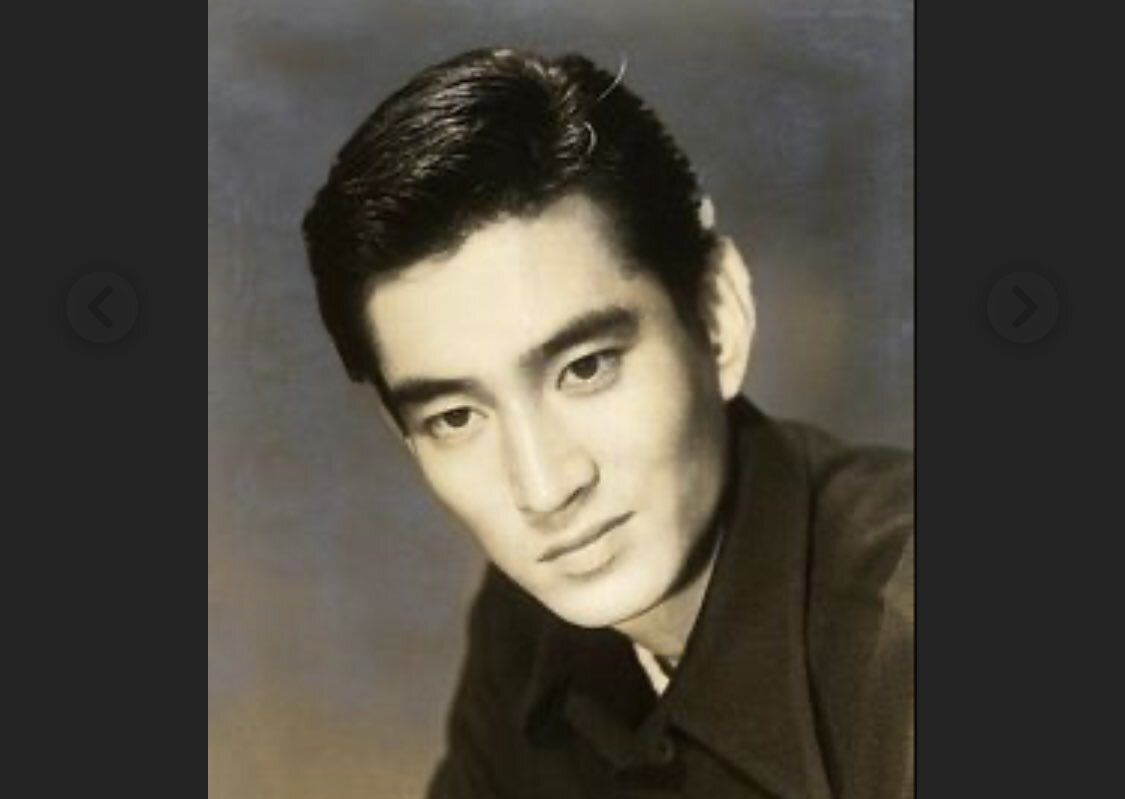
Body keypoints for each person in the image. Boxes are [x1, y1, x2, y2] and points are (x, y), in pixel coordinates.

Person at [301, 47, 913, 798]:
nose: (544, 487)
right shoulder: (529, 628)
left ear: (718, 318)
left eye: (586, 367)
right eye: (457, 416)